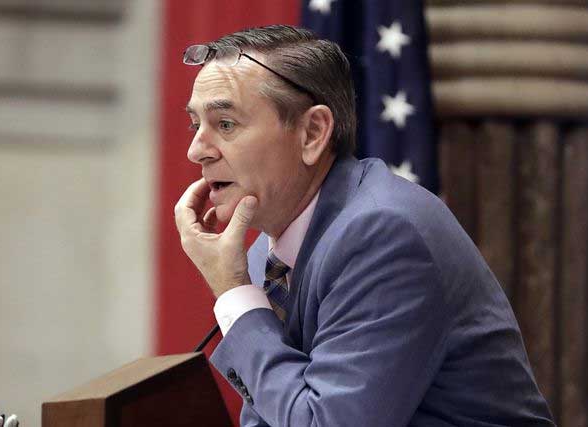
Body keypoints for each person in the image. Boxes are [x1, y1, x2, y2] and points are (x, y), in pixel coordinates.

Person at [174, 25, 554, 427]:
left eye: (226, 124)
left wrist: (234, 295)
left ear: (312, 133)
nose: (196, 149)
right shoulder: (263, 256)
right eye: (194, 124)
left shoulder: (383, 235)